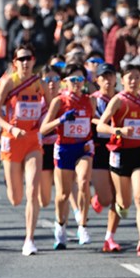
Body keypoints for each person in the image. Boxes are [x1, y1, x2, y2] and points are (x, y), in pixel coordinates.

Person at [0, 44, 45, 255]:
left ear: (33, 60)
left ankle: (29, 239)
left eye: (28, 58)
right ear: (15, 63)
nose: (24, 62)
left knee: (33, 190)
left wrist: (43, 124)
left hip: (32, 141)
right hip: (11, 140)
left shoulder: (39, 83)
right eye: (20, 59)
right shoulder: (8, 83)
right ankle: (6, 181)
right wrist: (10, 127)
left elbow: (50, 105)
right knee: (16, 198)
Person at [97, 64, 140, 256]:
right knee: (124, 203)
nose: (133, 80)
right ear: (122, 80)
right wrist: (117, 130)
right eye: (129, 77)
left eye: (137, 77)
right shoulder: (118, 100)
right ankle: (110, 230)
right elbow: (101, 126)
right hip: (120, 153)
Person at [40, 63, 96, 249]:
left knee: (83, 181)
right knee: (63, 194)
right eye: (73, 80)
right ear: (65, 82)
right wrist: (61, 120)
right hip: (64, 148)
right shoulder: (59, 101)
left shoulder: (90, 101)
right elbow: (44, 129)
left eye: (80, 80)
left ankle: (82, 225)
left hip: (83, 147)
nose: (77, 84)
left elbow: (92, 120)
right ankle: (60, 225)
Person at [90, 63, 118, 217]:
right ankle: (97, 198)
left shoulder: (121, 98)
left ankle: (110, 236)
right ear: (97, 80)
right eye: (103, 77)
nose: (107, 80)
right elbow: (90, 118)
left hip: (119, 146)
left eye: (110, 76)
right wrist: (104, 124)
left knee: (117, 196)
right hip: (99, 147)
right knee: (106, 199)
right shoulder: (92, 99)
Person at [38, 61, 63, 209]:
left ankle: (67, 220)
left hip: (61, 147)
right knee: (44, 200)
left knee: (65, 189)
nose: (52, 84)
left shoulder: (66, 101)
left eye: (55, 80)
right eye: (47, 80)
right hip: (43, 149)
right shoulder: (38, 103)